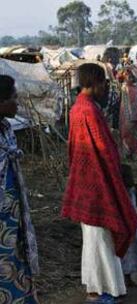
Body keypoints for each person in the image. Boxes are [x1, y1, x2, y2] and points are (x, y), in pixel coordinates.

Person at [61, 63, 137, 303]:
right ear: (93, 83)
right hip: (97, 184)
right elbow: (103, 151)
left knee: (97, 239)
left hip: (89, 183)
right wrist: (117, 175)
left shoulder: (80, 108)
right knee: (100, 239)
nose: (106, 88)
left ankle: (101, 287)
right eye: (104, 83)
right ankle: (100, 290)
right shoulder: (88, 111)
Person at [0, 75, 39, 303]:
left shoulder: (6, 129)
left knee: (16, 259)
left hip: (13, 216)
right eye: (14, 98)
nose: (18, 103)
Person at [119, 69, 137, 159]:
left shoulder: (136, 87)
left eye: (131, 77)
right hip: (127, 116)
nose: (130, 78)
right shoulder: (124, 88)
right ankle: (128, 153)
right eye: (128, 76)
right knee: (127, 134)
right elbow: (125, 103)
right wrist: (129, 117)